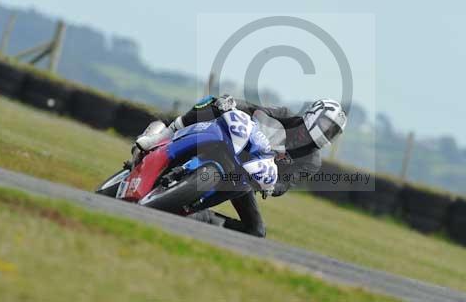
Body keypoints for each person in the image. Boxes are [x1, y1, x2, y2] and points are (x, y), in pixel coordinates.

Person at [133, 95, 347, 237]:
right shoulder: (286, 116)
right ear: (313, 114)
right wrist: (233, 104)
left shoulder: (312, 161)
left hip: (246, 178)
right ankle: (161, 135)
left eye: (332, 132)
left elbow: (286, 184)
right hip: (234, 144)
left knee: (256, 231)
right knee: (214, 102)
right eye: (326, 125)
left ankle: (199, 216)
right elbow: (254, 111)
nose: (326, 132)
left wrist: (272, 187)